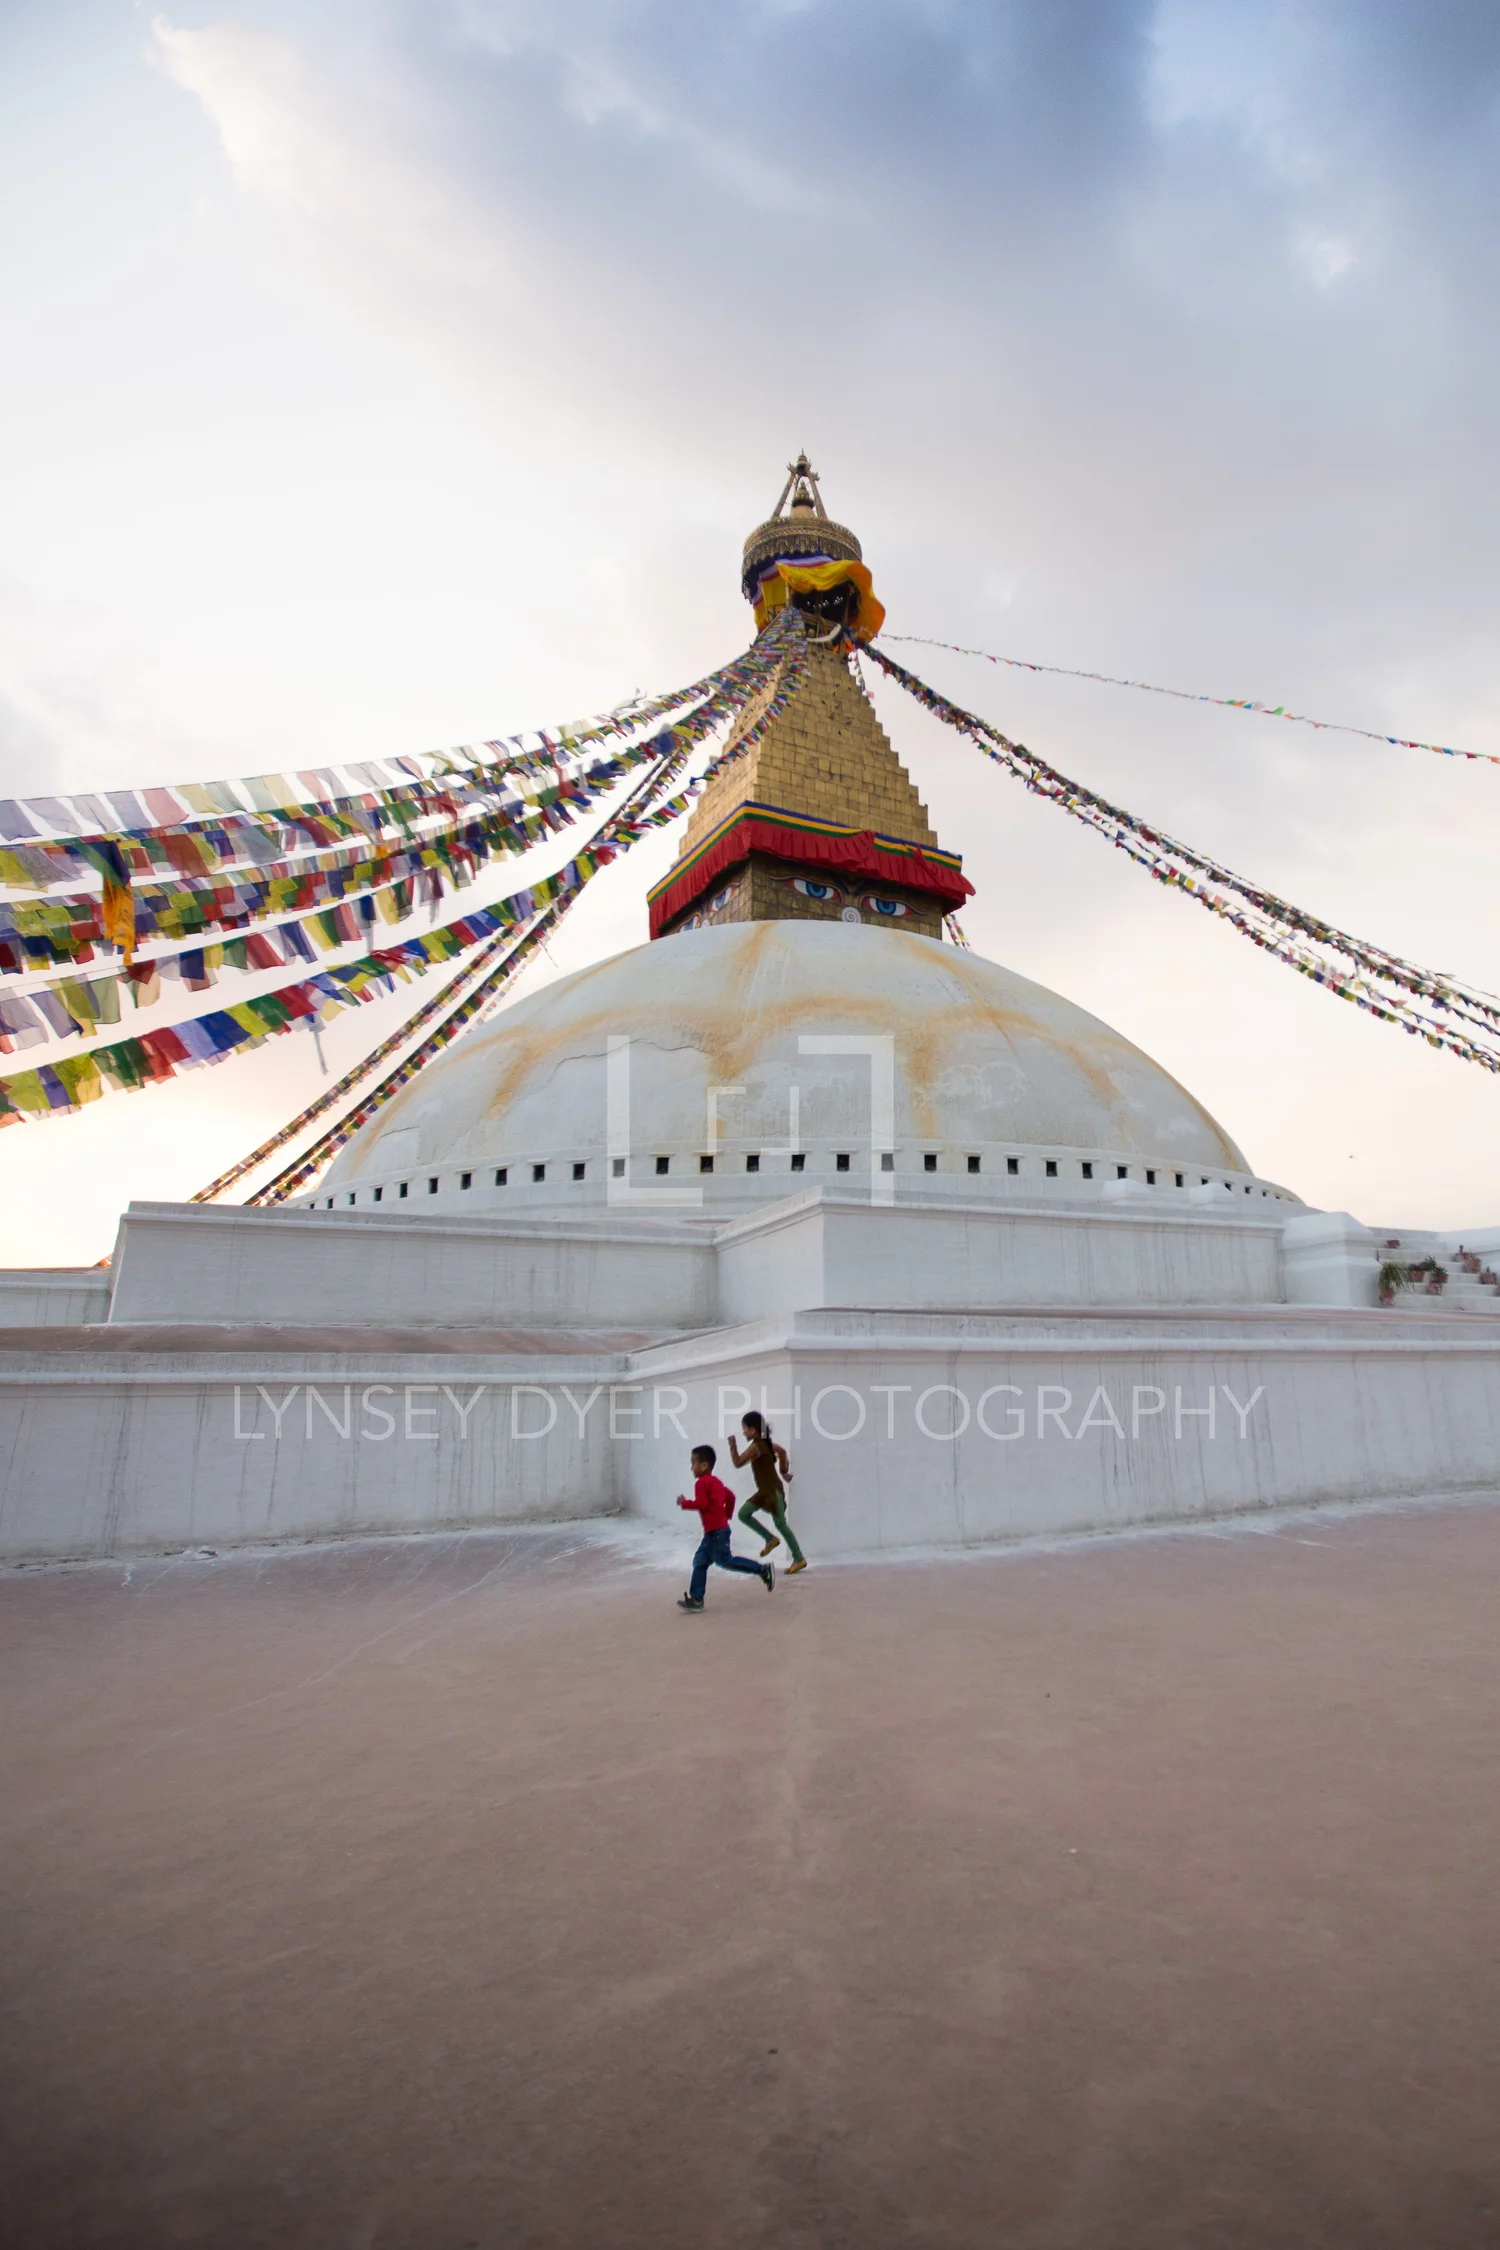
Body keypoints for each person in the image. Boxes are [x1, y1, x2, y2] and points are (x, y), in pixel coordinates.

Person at [676, 1443, 775, 1611]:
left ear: (704, 1465)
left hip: (715, 1533)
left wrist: (684, 1503)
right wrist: (726, 1515)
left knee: (726, 1561)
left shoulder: (701, 1483)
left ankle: (762, 1570)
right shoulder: (716, 1482)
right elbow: (731, 1497)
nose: (691, 1468)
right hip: (716, 1532)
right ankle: (697, 1599)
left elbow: (702, 1503)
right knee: (700, 1561)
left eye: (693, 1463)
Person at [729, 1410, 806, 1574]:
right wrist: (783, 1471)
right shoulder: (767, 1444)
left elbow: (738, 1462)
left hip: (771, 1492)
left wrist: (732, 1445)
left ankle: (797, 1557)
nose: (743, 1432)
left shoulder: (756, 1446)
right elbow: (782, 1452)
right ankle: (772, 1540)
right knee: (748, 1515)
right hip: (768, 1491)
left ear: (753, 1430)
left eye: (744, 1429)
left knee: (776, 1523)